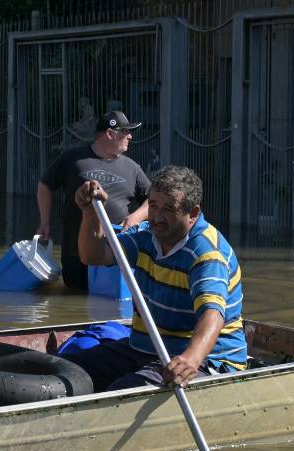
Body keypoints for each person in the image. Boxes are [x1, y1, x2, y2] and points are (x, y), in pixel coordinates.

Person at [64, 165, 247, 391]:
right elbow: (93, 255)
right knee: (69, 368)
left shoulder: (207, 254)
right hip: (147, 348)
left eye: (170, 209)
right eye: (153, 206)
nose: (158, 217)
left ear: (193, 213)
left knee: (123, 391)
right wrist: (90, 212)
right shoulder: (146, 236)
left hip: (209, 359)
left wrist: (190, 359)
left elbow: (212, 314)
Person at [36, 110, 151, 290]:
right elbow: (45, 184)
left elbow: (152, 200)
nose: (130, 136)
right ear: (110, 134)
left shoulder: (132, 168)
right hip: (75, 252)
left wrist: (136, 216)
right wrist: (45, 222)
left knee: (108, 304)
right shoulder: (73, 159)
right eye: (125, 132)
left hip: (112, 254)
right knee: (75, 300)